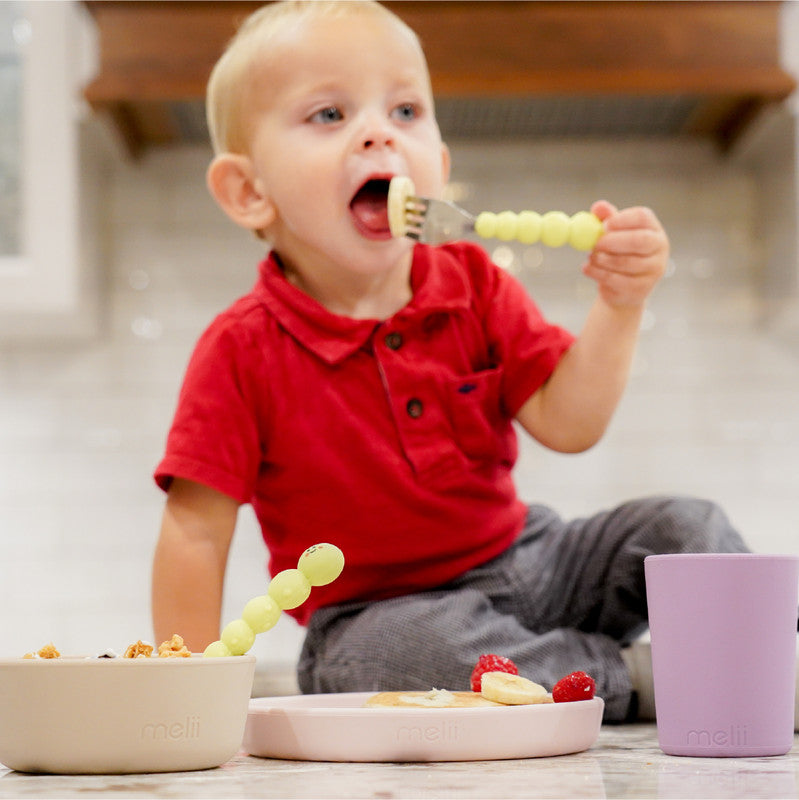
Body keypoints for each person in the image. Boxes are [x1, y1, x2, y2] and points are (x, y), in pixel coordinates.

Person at [151, 0, 748, 722]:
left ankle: (759, 660)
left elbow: (568, 423)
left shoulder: (473, 282)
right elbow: (194, 530)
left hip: (536, 561)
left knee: (688, 529)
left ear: (439, 163)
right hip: (377, 612)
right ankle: (636, 679)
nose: (379, 132)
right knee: (394, 661)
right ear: (249, 192)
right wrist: (179, 706)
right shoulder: (241, 349)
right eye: (329, 115)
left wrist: (619, 308)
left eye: (405, 111)